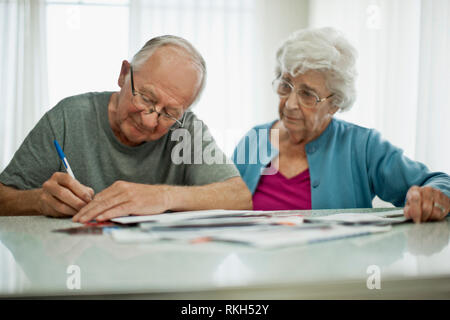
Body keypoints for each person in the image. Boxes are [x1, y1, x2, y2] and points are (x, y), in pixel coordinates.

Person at [0, 35, 251, 222]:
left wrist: (161, 197)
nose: (150, 121)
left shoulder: (185, 130)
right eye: (146, 99)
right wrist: (38, 201)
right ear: (123, 74)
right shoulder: (68, 118)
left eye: (169, 113)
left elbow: (238, 197)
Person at [232, 27, 449, 223]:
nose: (289, 104)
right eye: (285, 85)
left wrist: (433, 196)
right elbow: (223, 206)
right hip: (260, 266)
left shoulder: (362, 146)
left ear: (334, 104)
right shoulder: (255, 139)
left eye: (307, 94)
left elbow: (439, 182)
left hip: (336, 267)